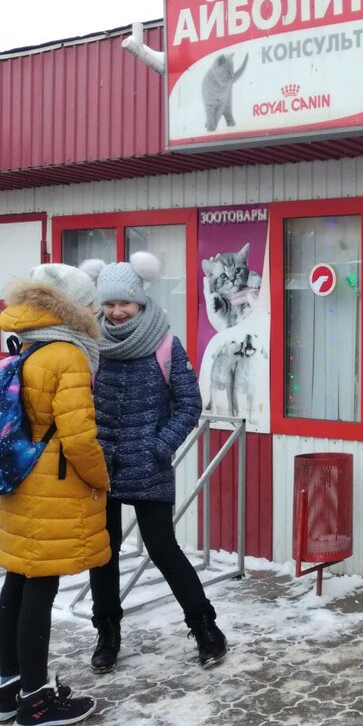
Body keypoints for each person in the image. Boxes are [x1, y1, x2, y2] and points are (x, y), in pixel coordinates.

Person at [80, 252, 227, 672]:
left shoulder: (164, 344)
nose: (117, 311)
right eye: (109, 303)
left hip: (149, 464)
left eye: (125, 302)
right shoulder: (92, 346)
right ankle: (107, 634)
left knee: (163, 548)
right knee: (103, 553)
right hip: (101, 466)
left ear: (141, 300)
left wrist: (160, 446)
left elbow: (189, 403)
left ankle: (206, 628)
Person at [0, 264, 109, 725]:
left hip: (17, 480)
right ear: (71, 307)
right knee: (40, 588)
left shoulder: (23, 345)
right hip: (53, 488)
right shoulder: (67, 354)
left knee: (18, 581)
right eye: (89, 302)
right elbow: (80, 439)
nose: (95, 309)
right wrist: (101, 478)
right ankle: (37, 699)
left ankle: (7, 689)